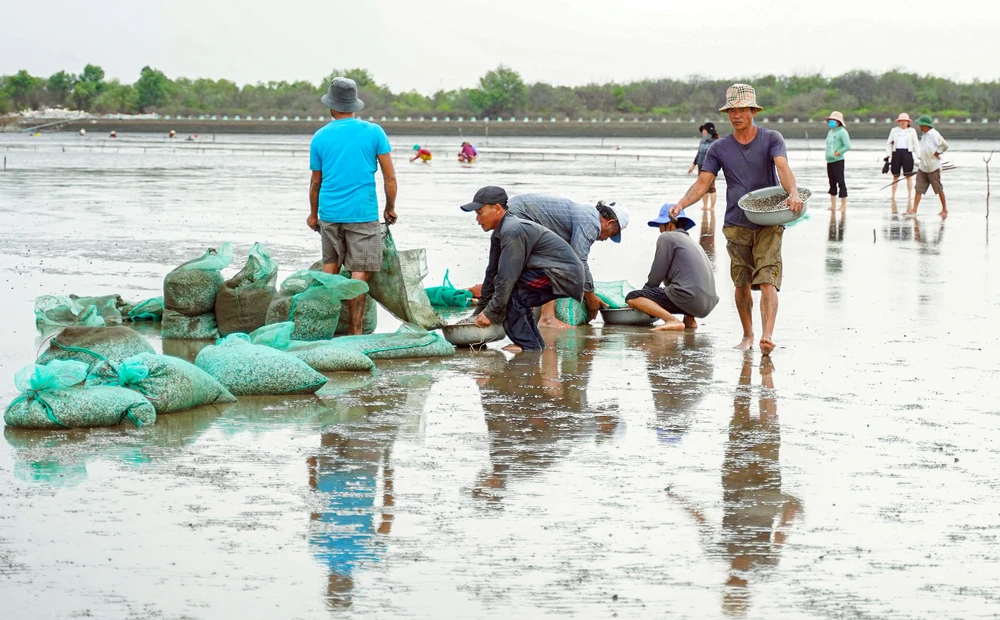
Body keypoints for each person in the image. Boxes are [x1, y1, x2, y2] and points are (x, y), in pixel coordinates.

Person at [667, 83, 804, 356]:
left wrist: (794, 193)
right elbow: (704, 182)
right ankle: (748, 335)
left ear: (753, 111)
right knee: (741, 283)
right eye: (732, 110)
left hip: (768, 221)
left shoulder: (771, 138)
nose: (736, 115)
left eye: (742, 109)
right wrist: (681, 203)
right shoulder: (719, 148)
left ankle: (767, 336)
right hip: (736, 224)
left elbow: (782, 167)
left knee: (767, 279)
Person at [307, 76, 398, 335]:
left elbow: (315, 183)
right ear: (354, 105)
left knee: (331, 265)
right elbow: (389, 178)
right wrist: (390, 208)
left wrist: (313, 215)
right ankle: (355, 331)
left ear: (331, 106)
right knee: (361, 270)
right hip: (362, 213)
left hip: (329, 213)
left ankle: (327, 327)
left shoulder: (320, 137)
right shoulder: (373, 132)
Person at [460, 186, 585, 352]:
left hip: (563, 275)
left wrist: (491, 313)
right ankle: (534, 345)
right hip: (552, 273)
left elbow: (506, 278)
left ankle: (527, 345)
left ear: (497, 208)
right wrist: (479, 312)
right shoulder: (499, 233)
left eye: (480, 212)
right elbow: (491, 273)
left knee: (509, 293)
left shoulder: (512, 230)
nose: (477, 218)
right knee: (517, 296)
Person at [506, 194, 630, 329]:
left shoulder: (586, 214)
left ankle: (529, 313)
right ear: (610, 223)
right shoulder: (591, 223)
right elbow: (579, 261)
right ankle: (547, 318)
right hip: (520, 214)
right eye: (612, 234)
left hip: (515, 213)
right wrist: (590, 296)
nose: (606, 239)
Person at [625, 204, 719, 331]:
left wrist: (643, 298)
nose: (660, 229)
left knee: (633, 297)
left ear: (669, 224)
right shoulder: (691, 242)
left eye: (660, 225)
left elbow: (657, 275)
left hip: (689, 297)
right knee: (682, 281)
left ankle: (671, 320)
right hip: (707, 303)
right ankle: (689, 320)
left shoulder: (667, 237)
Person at [911, 115, 949, 218]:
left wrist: (938, 152)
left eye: (920, 125)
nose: (919, 127)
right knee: (918, 188)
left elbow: (944, 145)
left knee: (938, 189)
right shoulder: (924, 135)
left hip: (933, 167)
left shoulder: (934, 134)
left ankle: (944, 209)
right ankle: (914, 209)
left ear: (925, 125)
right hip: (923, 167)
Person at [884, 112, 921, 212]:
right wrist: (888, 155)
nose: (903, 123)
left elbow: (916, 144)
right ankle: (893, 195)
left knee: (908, 176)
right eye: (901, 121)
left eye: (904, 121)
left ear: (908, 122)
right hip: (896, 153)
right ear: (898, 122)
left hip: (907, 153)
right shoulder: (894, 131)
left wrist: (919, 156)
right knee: (895, 175)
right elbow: (889, 143)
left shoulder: (912, 131)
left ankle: (909, 195)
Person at [687, 122, 720, 210]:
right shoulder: (702, 141)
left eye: (704, 130)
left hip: (711, 167)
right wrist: (693, 165)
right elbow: (699, 154)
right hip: (701, 166)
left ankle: (712, 206)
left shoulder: (716, 142)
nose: (703, 132)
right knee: (702, 187)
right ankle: (705, 206)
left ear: (708, 131)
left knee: (711, 187)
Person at [825, 111, 852, 211]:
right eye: (830, 121)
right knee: (831, 182)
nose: (830, 123)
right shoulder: (830, 132)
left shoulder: (842, 132)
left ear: (838, 122)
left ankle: (843, 205)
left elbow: (847, 146)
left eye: (833, 121)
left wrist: (838, 152)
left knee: (841, 182)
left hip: (838, 161)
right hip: (829, 160)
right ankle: (833, 205)